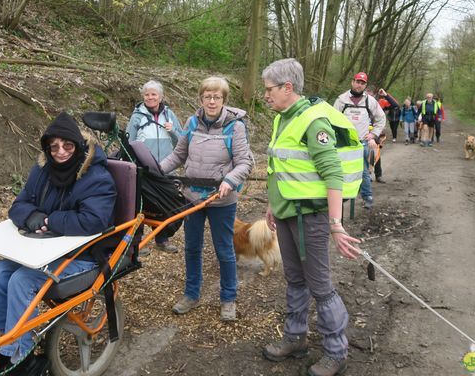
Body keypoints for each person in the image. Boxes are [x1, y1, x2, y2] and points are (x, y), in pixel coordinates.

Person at [0, 112, 117, 376]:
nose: (60, 152)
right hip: (43, 251)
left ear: (78, 145)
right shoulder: (42, 171)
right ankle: (4, 344)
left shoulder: (97, 177)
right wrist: (30, 215)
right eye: (54, 147)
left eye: (67, 146)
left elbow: (94, 220)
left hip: (82, 257)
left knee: (22, 281)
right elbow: (19, 204)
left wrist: (50, 220)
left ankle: (22, 357)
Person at [260, 59, 362, 376]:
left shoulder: (313, 122)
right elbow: (283, 167)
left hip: (312, 218)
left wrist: (335, 224)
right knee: (295, 279)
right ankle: (295, 338)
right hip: (289, 212)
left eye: (269, 90)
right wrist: (273, 204)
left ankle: (336, 352)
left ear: (287, 88)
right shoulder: (283, 118)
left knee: (321, 286)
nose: (265, 96)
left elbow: (333, 175)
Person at [160, 76, 252, 321]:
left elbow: (245, 162)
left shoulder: (235, 126)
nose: (212, 101)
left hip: (221, 199)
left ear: (224, 99)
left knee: (224, 250)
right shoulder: (192, 122)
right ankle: (191, 294)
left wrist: (230, 181)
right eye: (208, 96)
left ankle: (228, 299)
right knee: (192, 247)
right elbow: (178, 155)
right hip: (192, 197)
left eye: (217, 97)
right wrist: (157, 171)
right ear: (201, 98)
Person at [126, 80, 183, 253]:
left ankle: (162, 239)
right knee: (140, 205)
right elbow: (128, 142)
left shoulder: (170, 115)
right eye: (147, 94)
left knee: (165, 203)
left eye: (153, 94)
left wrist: (172, 130)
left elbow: (182, 141)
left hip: (167, 168)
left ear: (161, 96)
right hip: (144, 169)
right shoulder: (137, 116)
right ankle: (137, 241)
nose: (150, 97)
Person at [333, 72, 386, 210]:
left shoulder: (370, 101)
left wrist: (373, 134)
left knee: (363, 171)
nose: (359, 85)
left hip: (362, 143)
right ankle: (343, 196)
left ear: (365, 85)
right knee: (341, 171)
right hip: (344, 143)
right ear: (352, 82)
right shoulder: (341, 100)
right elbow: (332, 119)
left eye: (362, 83)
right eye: (357, 82)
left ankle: (367, 197)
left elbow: (381, 119)